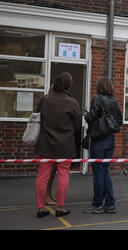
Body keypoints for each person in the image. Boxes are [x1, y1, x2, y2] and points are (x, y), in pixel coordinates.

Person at [35, 72, 81, 218]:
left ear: (54, 84)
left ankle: (41, 208)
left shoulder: (44, 100)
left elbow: (36, 117)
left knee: (42, 175)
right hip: (65, 145)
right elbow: (78, 126)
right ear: (69, 86)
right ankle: (60, 207)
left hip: (45, 144)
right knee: (63, 174)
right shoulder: (73, 102)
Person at [83, 78, 122, 214]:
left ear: (99, 87)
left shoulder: (97, 99)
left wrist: (87, 115)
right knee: (105, 171)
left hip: (98, 140)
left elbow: (91, 117)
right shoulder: (114, 100)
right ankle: (110, 203)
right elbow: (119, 120)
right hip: (110, 139)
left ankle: (97, 204)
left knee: (98, 172)